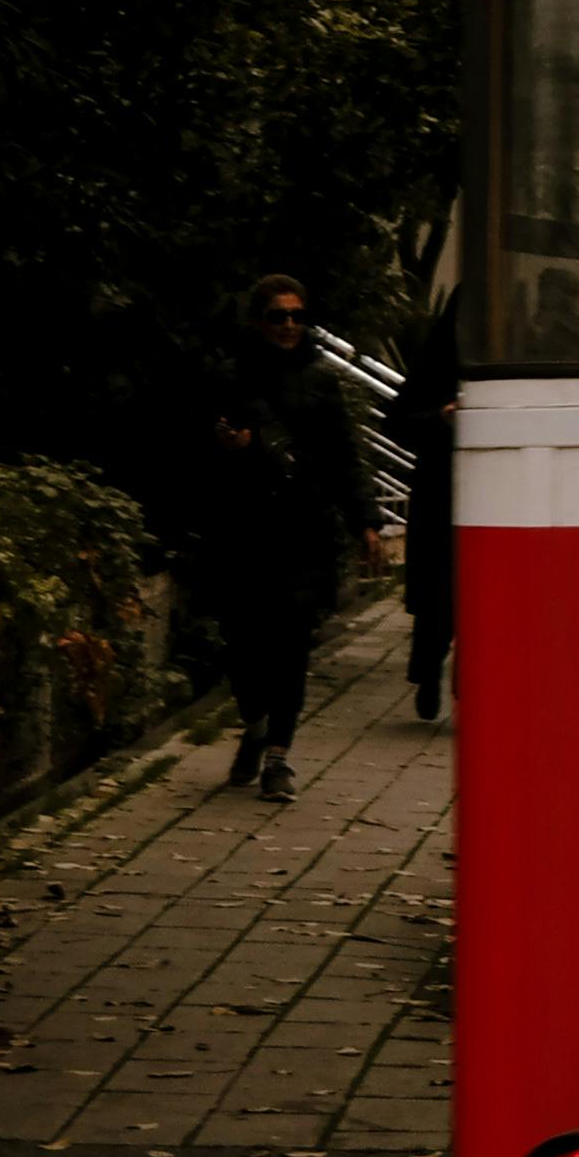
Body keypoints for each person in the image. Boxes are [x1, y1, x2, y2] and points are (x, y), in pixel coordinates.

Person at [206, 275, 381, 802]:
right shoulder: (230, 377)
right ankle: (255, 725)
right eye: (279, 316)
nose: (288, 326)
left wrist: (366, 520)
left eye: (297, 316)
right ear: (259, 320)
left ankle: (279, 756)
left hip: (303, 530)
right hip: (243, 528)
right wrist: (231, 448)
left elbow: (343, 455)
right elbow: (199, 448)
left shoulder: (321, 381)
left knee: (290, 647)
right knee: (241, 642)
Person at [384, 288, 459, 727]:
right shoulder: (436, 363)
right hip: (439, 492)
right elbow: (398, 421)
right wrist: (440, 419)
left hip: (486, 494)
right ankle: (430, 673)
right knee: (437, 598)